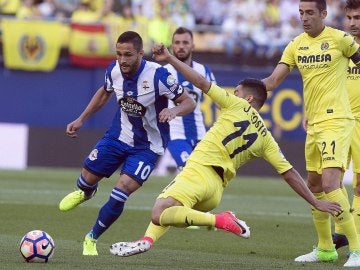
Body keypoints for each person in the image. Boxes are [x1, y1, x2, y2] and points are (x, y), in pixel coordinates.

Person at [109, 43, 342, 258]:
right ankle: (147, 240)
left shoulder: (236, 105)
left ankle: (221, 220)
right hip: (215, 190)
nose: (233, 94)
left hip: (199, 171)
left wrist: (170, 57)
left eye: (237, 92)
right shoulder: (266, 138)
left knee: (159, 211)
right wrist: (315, 201)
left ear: (248, 98)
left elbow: (200, 82)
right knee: (171, 208)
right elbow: (290, 173)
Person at [58, 31, 196, 256]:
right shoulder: (114, 70)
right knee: (86, 178)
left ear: (141, 54)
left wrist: (173, 110)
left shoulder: (158, 76)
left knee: (121, 190)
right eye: (119, 54)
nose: (122, 60)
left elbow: (188, 102)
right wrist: (81, 119)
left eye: (128, 55)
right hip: (118, 136)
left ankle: (91, 238)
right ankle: (86, 192)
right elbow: (104, 93)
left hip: (148, 147)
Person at [261, 0, 360, 267]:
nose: (304, 18)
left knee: (331, 183)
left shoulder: (340, 39)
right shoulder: (296, 45)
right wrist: (251, 89)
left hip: (337, 120)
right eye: (301, 13)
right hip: (313, 125)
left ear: (324, 14)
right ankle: (326, 248)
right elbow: (272, 81)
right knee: (314, 186)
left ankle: (357, 250)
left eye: (310, 13)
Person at [157, 27, 217, 173]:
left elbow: (219, 99)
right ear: (172, 46)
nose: (181, 46)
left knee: (208, 177)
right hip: (175, 134)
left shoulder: (203, 71)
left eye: (185, 42)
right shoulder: (163, 72)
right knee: (190, 171)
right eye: (177, 43)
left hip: (200, 134)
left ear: (193, 46)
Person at [332, 0, 360, 250]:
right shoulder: (340, 45)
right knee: (334, 179)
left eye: (358, 18)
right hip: (340, 121)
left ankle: (357, 241)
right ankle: (341, 233)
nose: (353, 23)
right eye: (349, 18)